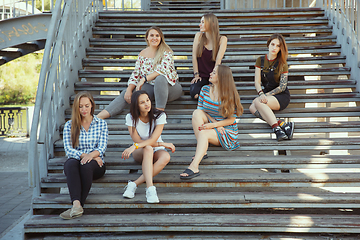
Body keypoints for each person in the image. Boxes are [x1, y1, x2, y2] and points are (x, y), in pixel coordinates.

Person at [97, 26, 182, 119]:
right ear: (147, 38)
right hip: (151, 88)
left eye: (157, 36)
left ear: (161, 38)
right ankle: (97, 118)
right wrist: (129, 90)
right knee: (127, 93)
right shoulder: (142, 53)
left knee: (160, 79)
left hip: (170, 88)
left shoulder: (166, 52)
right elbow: (136, 73)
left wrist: (144, 79)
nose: (155, 38)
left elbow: (162, 70)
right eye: (152, 35)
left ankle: (159, 116)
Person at [180, 65, 243, 179]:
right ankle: (203, 151)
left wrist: (216, 125)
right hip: (213, 124)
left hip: (227, 130)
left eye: (214, 73)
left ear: (222, 77)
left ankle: (194, 167)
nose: (210, 74)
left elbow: (232, 119)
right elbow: (202, 110)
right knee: (196, 113)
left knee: (204, 133)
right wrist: (214, 124)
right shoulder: (204, 89)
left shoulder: (230, 94)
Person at [60, 91, 108, 219]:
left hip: (96, 165)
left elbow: (102, 147)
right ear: (76, 107)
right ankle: (76, 205)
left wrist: (92, 156)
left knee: (86, 165)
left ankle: (77, 206)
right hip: (78, 161)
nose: (84, 109)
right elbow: (68, 150)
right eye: (80, 106)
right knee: (70, 163)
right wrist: (86, 155)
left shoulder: (101, 124)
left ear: (92, 105)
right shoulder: (69, 125)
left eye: (87, 105)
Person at [121, 90, 175, 203]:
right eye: (142, 102)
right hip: (139, 151)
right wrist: (163, 144)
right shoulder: (130, 117)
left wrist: (134, 146)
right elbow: (139, 142)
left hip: (153, 149)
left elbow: (153, 140)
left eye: (148, 100)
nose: (147, 104)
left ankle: (134, 184)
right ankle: (150, 188)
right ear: (136, 105)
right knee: (148, 148)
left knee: (166, 157)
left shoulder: (159, 115)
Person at [249, 33, 294, 141]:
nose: (274, 48)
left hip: (280, 96)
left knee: (258, 102)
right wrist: (261, 93)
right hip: (265, 93)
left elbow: (282, 87)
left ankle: (276, 129)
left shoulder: (282, 63)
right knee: (251, 107)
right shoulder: (260, 60)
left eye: (278, 46)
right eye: (273, 44)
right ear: (268, 44)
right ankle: (281, 124)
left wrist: (265, 95)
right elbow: (257, 82)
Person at [190, 13, 227, 99]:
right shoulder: (198, 36)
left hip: (214, 75)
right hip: (201, 76)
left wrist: (213, 78)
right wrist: (196, 75)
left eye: (203, 22)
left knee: (216, 94)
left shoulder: (222, 39)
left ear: (212, 24)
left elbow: (218, 60)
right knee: (195, 94)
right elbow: (194, 56)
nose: (200, 24)